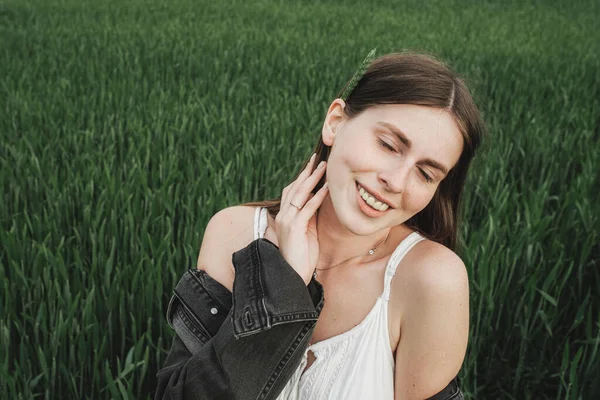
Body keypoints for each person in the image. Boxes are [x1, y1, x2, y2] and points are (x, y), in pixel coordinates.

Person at [155, 51, 485, 400]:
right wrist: (284, 283)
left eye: (425, 173)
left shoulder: (431, 280)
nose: (397, 182)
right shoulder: (233, 232)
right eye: (388, 145)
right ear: (336, 122)